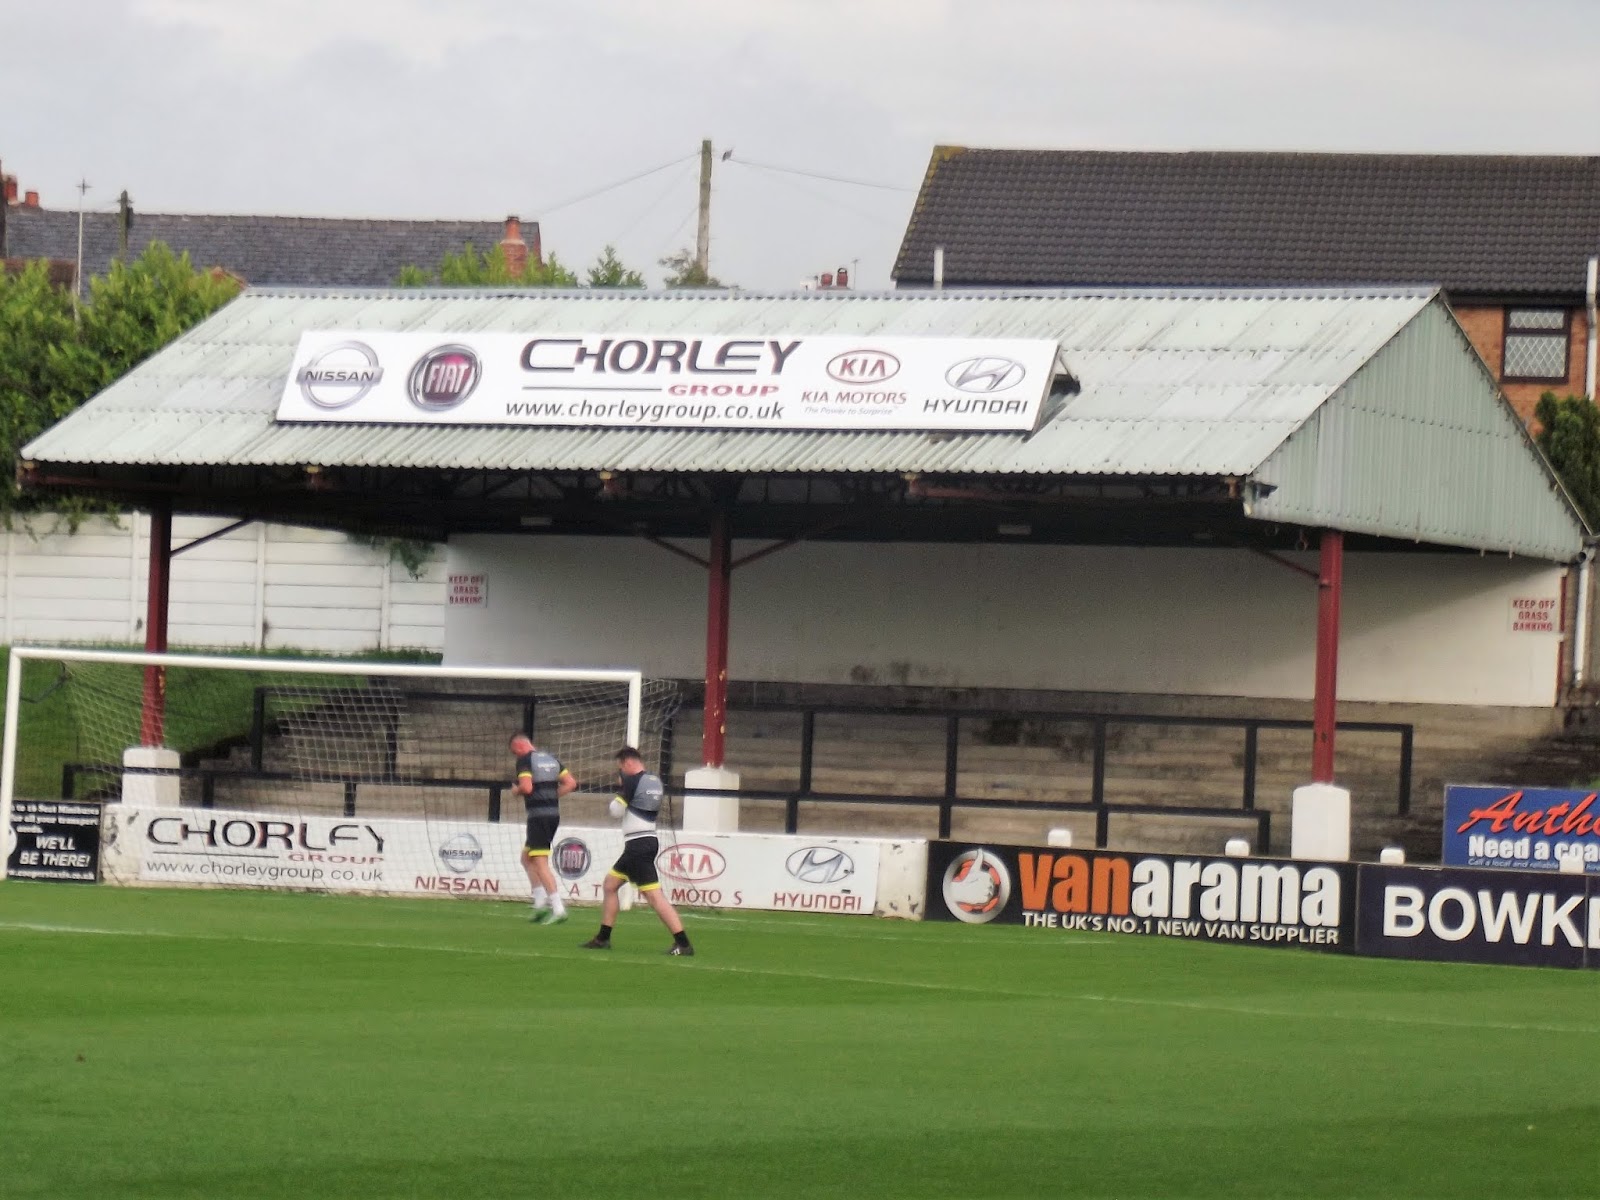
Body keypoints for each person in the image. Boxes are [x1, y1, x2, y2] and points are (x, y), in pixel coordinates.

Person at [582, 746, 693, 956]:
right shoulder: (655, 781)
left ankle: (683, 943)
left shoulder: (633, 781)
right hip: (646, 840)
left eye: (621, 768)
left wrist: (621, 788)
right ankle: (603, 938)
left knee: (654, 896)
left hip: (638, 845)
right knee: (610, 885)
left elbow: (615, 811)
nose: (621, 772)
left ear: (628, 763)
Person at [509, 732, 578, 924]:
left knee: (540, 862)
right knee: (526, 858)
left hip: (538, 817)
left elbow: (527, 787)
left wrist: (516, 791)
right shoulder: (551, 759)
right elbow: (571, 783)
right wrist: (551, 797)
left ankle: (558, 908)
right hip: (552, 814)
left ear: (519, 746)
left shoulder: (525, 760)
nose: (516, 755)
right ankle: (539, 905)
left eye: (514, 752)